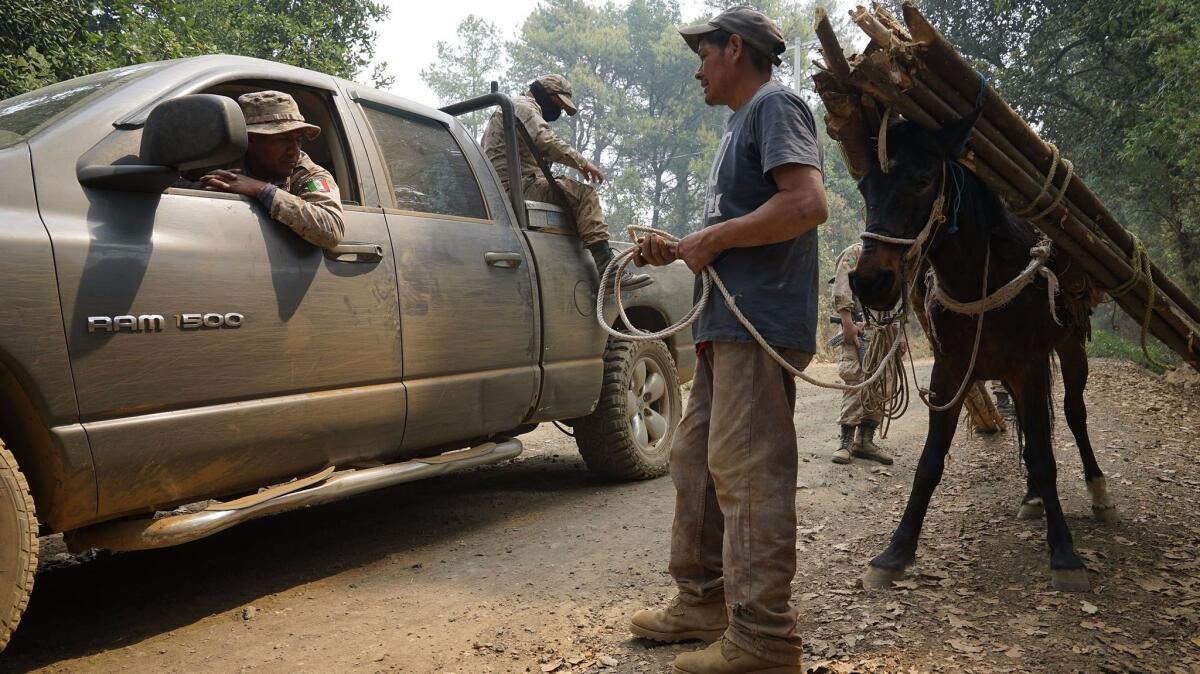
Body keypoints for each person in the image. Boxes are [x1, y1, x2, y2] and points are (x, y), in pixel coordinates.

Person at [628, 7, 828, 674]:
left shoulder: (776, 106)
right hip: (726, 325)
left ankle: (765, 640)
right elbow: (746, 224)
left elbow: (805, 204)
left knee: (748, 474)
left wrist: (710, 240)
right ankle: (703, 601)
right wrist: (684, 245)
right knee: (695, 462)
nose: (697, 67)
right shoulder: (739, 126)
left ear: (735, 49)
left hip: (758, 325)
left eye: (704, 53)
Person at [480, 74, 651, 291]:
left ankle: (591, 252)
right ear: (544, 94)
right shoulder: (523, 106)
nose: (558, 112)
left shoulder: (513, 109)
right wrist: (582, 163)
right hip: (517, 187)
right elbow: (545, 140)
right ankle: (609, 270)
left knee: (569, 196)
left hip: (506, 187)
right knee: (583, 194)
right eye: (557, 104)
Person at [182, 90, 345, 250]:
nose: (293, 151)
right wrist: (196, 190)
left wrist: (262, 190)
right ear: (251, 139)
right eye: (283, 139)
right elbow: (166, 179)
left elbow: (331, 228)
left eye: (298, 140)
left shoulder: (308, 175)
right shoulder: (218, 158)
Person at [829, 242, 894, 465]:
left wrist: (899, 337)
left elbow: (898, 298)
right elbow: (842, 287)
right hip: (859, 330)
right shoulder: (856, 253)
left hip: (884, 334)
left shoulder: (893, 258)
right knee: (855, 380)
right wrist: (847, 323)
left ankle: (865, 442)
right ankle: (846, 442)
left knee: (882, 384)